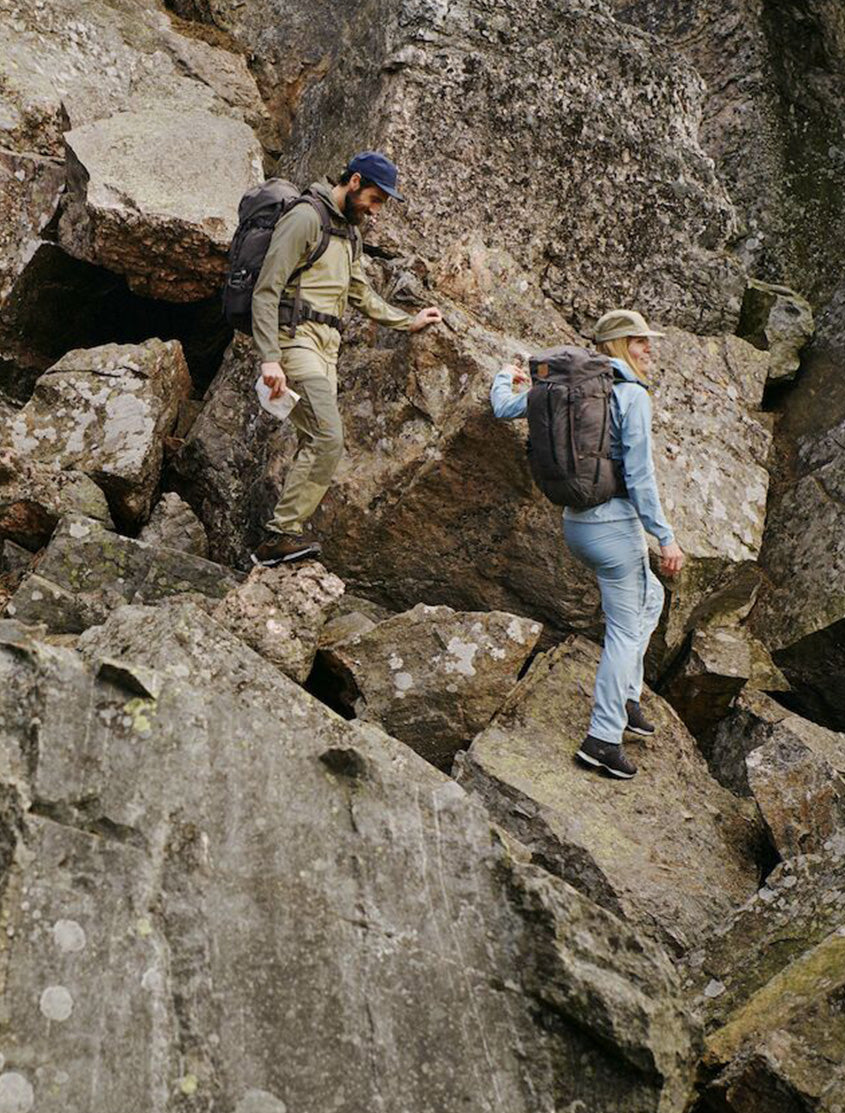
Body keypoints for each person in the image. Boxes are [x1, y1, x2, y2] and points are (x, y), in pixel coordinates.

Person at [490, 309, 684, 780]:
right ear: (619, 346)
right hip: (616, 528)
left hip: (578, 524)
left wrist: (503, 376)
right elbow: (639, 474)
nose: (649, 348)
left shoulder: (564, 390)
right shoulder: (632, 396)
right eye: (640, 341)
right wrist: (665, 536)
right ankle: (603, 738)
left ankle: (628, 697)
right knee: (622, 631)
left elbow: (503, 408)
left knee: (650, 599)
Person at [250, 151, 443, 565]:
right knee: (328, 438)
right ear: (354, 181)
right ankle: (279, 537)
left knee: (315, 437)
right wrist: (269, 357)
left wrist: (406, 321)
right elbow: (267, 289)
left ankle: (281, 538)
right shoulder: (306, 218)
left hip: (327, 350)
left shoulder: (350, 233)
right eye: (375, 199)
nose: (376, 211)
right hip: (294, 342)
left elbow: (359, 292)